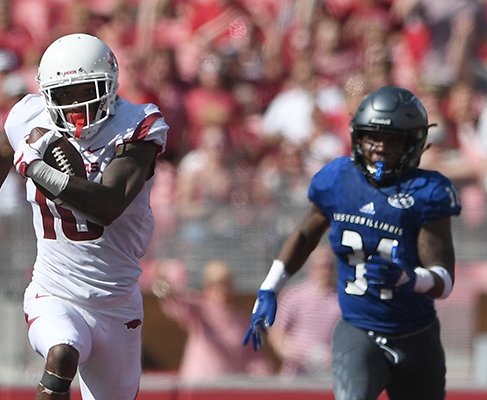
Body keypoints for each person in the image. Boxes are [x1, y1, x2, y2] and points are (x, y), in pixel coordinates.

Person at [0, 33, 168, 400]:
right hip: (54, 289)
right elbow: (1, 151)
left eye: (85, 91)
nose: (77, 107)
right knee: (61, 353)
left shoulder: (137, 125)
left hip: (115, 303)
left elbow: (108, 204)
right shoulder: (30, 115)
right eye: (65, 96)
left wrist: (38, 170)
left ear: (110, 85)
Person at [243, 86, 461, 400]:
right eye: (373, 137)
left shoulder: (427, 192)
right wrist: (269, 287)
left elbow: (445, 280)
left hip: (416, 335)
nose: (380, 148)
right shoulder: (338, 179)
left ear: (414, 142)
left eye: (392, 139)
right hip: (359, 330)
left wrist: (409, 278)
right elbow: (306, 235)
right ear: (357, 137)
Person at [153, 259, 272, 381]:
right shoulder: (199, 308)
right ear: (206, 286)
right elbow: (178, 303)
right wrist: (166, 287)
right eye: (215, 284)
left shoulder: (243, 321)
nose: (221, 289)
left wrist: (265, 380)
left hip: (229, 389)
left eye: (225, 283)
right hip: (198, 387)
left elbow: (255, 357)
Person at [267, 245, 340, 376]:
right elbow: (276, 335)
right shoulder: (293, 296)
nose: (325, 271)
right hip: (297, 373)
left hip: (331, 372)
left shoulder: (342, 300)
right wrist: (292, 352)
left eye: (329, 266)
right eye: (320, 266)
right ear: (311, 268)